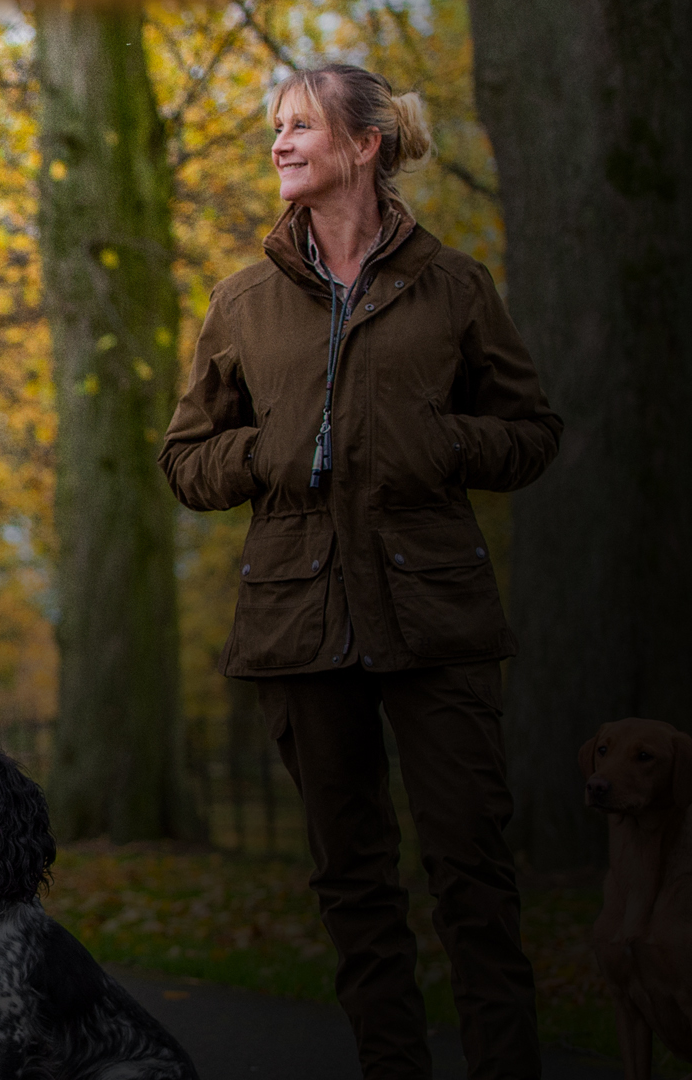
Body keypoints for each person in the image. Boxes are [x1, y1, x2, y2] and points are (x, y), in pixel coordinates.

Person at [159, 63, 561, 1079]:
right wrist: (266, 452)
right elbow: (186, 459)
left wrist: (436, 441)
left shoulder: (456, 287)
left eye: (300, 126)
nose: (281, 143)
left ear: (365, 144)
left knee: (474, 874)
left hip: (436, 617)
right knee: (354, 883)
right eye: (276, 129)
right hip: (300, 626)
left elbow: (530, 433)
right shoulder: (241, 302)